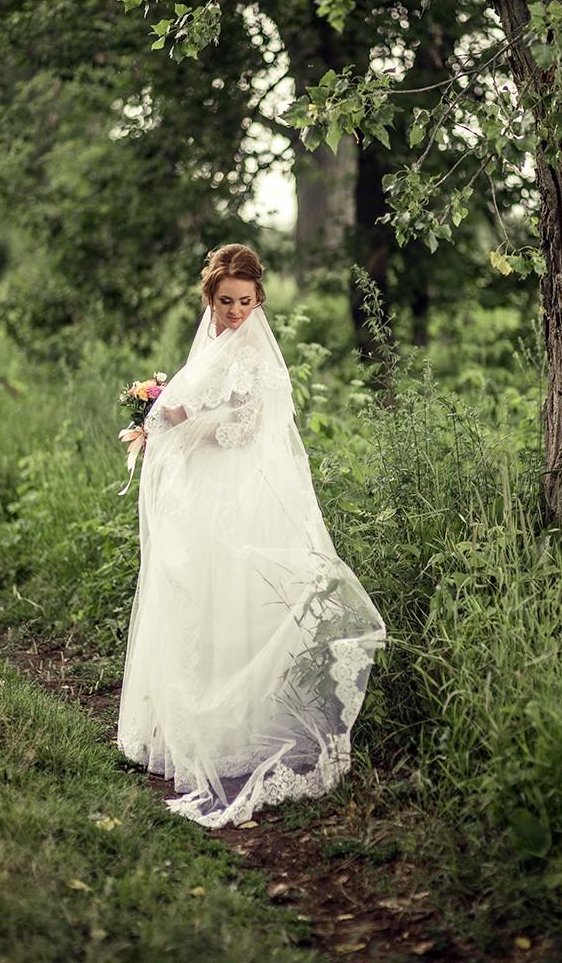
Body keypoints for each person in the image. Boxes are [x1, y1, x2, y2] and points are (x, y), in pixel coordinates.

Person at [117, 244, 385, 828]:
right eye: (225, 301)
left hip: (237, 487)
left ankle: (240, 728)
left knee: (234, 588)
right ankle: (189, 725)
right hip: (204, 490)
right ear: (209, 300)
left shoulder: (255, 356)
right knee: (197, 593)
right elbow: (195, 399)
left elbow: (246, 426)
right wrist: (162, 410)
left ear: (257, 299)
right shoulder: (210, 345)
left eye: (244, 301)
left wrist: (183, 423)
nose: (235, 311)